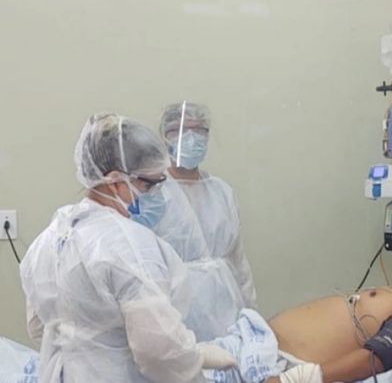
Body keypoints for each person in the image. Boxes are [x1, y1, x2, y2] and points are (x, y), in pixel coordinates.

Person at [19, 113, 237, 383]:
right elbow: (159, 351)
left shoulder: (49, 239)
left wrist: (90, 347)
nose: (156, 193)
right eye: (149, 184)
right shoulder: (130, 246)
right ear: (115, 181)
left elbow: (38, 327)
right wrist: (196, 358)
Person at [154, 102, 256, 342]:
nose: (191, 137)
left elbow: (237, 260)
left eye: (199, 130)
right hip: (176, 310)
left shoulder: (221, 191)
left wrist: (252, 313)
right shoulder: (152, 195)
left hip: (226, 307)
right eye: (182, 130)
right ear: (165, 136)